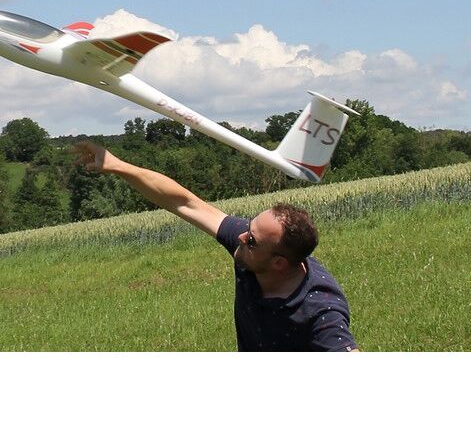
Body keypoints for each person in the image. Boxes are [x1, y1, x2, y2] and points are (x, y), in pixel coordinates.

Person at [72, 140, 359, 352]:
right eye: (249, 227)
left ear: (279, 263)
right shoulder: (248, 247)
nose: (242, 237)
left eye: (252, 240)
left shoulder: (320, 310)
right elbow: (185, 203)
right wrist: (116, 165)